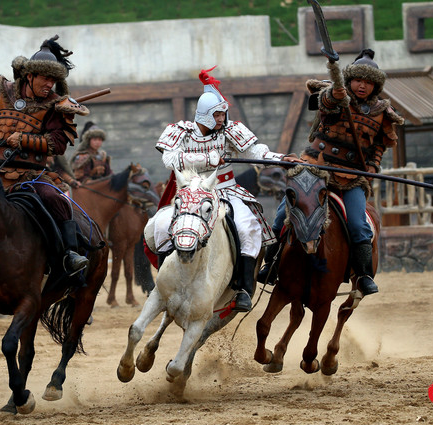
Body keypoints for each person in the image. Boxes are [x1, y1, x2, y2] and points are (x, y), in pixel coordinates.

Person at [259, 49, 404, 296]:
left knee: (359, 226)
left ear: (375, 86)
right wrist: (335, 95)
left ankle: (364, 275)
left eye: (368, 82)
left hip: (352, 176)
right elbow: (323, 103)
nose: (362, 86)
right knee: (282, 215)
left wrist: (372, 166)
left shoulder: (382, 112)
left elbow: (379, 146)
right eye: (358, 80)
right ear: (349, 80)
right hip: (315, 167)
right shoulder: (335, 94)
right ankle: (270, 266)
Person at [152, 67, 298, 313]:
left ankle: (242, 288)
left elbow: (256, 152)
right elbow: (170, 159)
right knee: (159, 226)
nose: (222, 119)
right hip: (191, 193)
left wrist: (280, 158)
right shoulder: (181, 131)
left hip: (226, 191)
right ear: (205, 115)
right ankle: (164, 280)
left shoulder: (230, 131)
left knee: (247, 227)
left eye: (223, 114)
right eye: (218, 115)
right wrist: (208, 159)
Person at [0, 35, 90, 274]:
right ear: (30, 75)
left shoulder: (56, 104)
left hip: (31, 175)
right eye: (45, 78)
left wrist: (24, 140)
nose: (49, 85)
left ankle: (70, 254)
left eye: (54, 80)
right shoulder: (2, 92)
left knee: (55, 198)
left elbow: (58, 144)